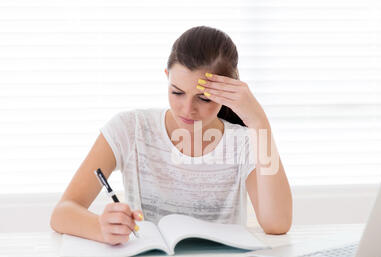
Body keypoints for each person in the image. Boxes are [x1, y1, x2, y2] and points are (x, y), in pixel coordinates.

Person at [50, 26, 292, 245]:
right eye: (177, 92)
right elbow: (62, 213)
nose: (187, 110)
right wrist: (100, 228)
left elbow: (277, 224)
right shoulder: (130, 128)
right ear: (167, 76)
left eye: (204, 98)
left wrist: (259, 122)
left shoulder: (245, 142)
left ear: (227, 92)